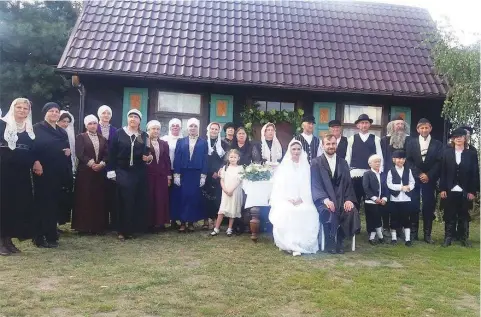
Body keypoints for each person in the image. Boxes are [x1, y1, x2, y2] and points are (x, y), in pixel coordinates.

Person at [269, 140, 320, 256]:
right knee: (288, 211)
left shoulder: (306, 167)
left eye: (298, 149)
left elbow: (309, 185)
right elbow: (279, 186)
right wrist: (289, 199)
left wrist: (301, 199)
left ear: (301, 151)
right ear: (289, 151)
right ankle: (288, 244)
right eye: (294, 149)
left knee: (307, 211)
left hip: (303, 199)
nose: (296, 151)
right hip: (286, 199)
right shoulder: (284, 166)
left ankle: (301, 244)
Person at [311, 134, 360, 254]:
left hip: (342, 199)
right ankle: (330, 240)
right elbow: (315, 184)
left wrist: (349, 199)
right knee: (328, 212)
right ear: (323, 146)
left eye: (333, 144)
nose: (331, 146)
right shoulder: (316, 163)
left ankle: (340, 239)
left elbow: (348, 184)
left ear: (336, 145)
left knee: (350, 211)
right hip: (325, 200)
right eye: (328, 144)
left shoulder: (343, 163)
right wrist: (324, 199)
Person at [32, 102, 72, 248]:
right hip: (43, 170)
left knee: (54, 204)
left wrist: (67, 151)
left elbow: (65, 147)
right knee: (43, 203)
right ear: (45, 113)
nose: (54, 113)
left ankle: (51, 234)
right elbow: (32, 147)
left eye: (57, 111)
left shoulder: (62, 131)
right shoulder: (37, 128)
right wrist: (35, 161)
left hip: (58, 171)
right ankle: (39, 236)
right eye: (51, 111)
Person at [108, 109, 152, 241]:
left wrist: (148, 158)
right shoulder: (119, 133)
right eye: (130, 117)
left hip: (139, 171)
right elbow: (112, 152)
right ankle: (121, 230)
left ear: (140, 120)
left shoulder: (144, 136)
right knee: (124, 198)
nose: (133, 119)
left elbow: (148, 153)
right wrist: (111, 170)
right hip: (123, 169)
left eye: (136, 117)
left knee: (136, 199)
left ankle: (132, 229)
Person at [0, 98, 37, 255]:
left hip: (21, 173)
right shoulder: (2, 124)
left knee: (16, 206)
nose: (22, 110)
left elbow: (31, 150)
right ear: (12, 108)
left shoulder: (29, 128)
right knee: (3, 205)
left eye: (25, 108)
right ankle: (1, 241)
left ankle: (9, 240)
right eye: (19, 107)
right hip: (3, 172)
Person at [406, 118, 443, 243]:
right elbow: (409, 160)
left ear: (430, 128)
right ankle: (413, 233)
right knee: (414, 205)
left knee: (428, 205)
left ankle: (427, 235)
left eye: (426, 127)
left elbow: (439, 162)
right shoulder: (411, 142)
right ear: (417, 129)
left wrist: (428, 175)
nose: (424, 130)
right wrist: (419, 173)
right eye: (421, 128)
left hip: (429, 179)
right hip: (415, 178)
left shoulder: (438, 144)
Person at [440, 128, 478, 247]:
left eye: (460, 137)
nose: (458, 139)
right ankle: (448, 238)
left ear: (465, 138)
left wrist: (472, 191)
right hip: (450, 188)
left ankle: (464, 238)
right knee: (449, 213)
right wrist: (442, 189)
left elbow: (474, 173)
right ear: (453, 139)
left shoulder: (471, 154)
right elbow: (443, 172)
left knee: (464, 214)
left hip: (465, 189)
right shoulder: (447, 153)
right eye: (456, 137)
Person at [71, 115, 109, 234]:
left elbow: (107, 154)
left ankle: (97, 227)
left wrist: (101, 164)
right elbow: (80, 153)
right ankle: (83, 227)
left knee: (98, 198)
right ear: (86, 125)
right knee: (84, 198)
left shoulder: (102, 138)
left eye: (94, 123)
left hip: (99, 173)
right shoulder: (81, 137)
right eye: (90, 124)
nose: (93, 126)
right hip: (85, 173)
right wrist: (92, 164)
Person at [173, 118, 208, 232]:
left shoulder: (203, 142)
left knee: (194, 197)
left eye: (195, 126)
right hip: (184, 173)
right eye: (191, 126)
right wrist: (176, 174)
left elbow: (205, 159)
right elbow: (177, 158)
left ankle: (191, 222)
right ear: (187, 128)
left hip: (196, 173)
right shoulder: (181, 141)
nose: (193, 128)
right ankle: (182, 222)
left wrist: (203, 175)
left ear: (198, 128)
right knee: (183, 197)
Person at [345, 114, 383, 213]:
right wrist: (347, 172)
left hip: (370, 174)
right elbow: (348, 156)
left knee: (370, 202)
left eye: (366, 123)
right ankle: (355, 226)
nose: (364, 125)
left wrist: (379, 170)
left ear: (369, 125)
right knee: (355, 200)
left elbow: (380, 156)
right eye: (362, 123)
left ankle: (372, 227)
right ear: (358, 125)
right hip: (355, 175)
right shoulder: (351, 139)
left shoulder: (376, 139)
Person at [210, 149, 244, 237]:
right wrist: (225, 190)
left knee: (232, 209)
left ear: (238, 158)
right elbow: (222, 180)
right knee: (222, 210)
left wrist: (231, 190)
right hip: (225, 191)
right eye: (231, 157)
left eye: (235, 157)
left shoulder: (240, 168)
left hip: (235, 191)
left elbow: (238, 181)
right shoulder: (225, 168)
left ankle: (229, 228)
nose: (232, 159)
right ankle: (216, 228)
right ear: (228, 158)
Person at [146, 120, 171, 231]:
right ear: (148, 130)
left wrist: (168, 176)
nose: (155, 131)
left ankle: (160, 223)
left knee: (160, 198)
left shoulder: (164, 144)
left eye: (157, 129)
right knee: (149, 198)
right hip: (148, 175)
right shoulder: (144, 142)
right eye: (153, 129)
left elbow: (167, 160)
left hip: (161, 175)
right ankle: (149, 223)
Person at [386, 150, 416, 246]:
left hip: (406, 198)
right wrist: (400, 187)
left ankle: (407, 239)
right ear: (394, 160)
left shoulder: (408, 170)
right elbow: (389, 184)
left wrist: (409, 187)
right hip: (395, 198)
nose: (401, 161)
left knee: (406, 218)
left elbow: (412, 182)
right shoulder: (390, 171)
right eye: (399, 159)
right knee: (394, 218)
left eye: (403, 159)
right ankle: (394, 238)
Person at [96, 105, 119, 230]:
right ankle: (100, 222)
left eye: (108, 113)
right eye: (103, 113)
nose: (106, 115)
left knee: (112, 195)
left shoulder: (115, 130)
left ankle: (113, 223)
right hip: (97, 164)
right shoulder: (94, 127)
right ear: (99, 115)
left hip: (111, 166)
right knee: (99, 194)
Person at [202, 122, 226, 229]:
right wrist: (209, 172)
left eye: (216, 129)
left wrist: (218, 171)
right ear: (208, 129)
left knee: (216, 198)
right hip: (205, 173)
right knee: (205, 197)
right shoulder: (203, 142)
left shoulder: (223, 144)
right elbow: (202, 158)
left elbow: (225, 160)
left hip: (218, 174)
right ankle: (206, 220)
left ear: (219, 131)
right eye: (212, 129)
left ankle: (216, 219)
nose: (214, 131)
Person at [161, 118, 183, 229]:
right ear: (169, 127)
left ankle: (174, 219)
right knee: (166, 195)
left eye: (177, 125)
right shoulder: (164, 139)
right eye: (173, 125)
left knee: (176, 195)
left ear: (180, 127)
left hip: (179, 171)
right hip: (166, 170)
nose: (175, 127)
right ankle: (165, 219)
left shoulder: (184, 140)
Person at [56, 110, 75, 229]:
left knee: (63, 196)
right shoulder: (53, 133)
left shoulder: (66, 134)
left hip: (65, 168)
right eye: (63, 121)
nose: (65, 124)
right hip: (54, 168)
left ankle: (58, 223)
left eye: (68, 122)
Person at [362, 154, 387, 245]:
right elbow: (366, 188)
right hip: (370, 201)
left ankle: (378, 237)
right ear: (370, 164)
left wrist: (384, 198)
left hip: (381, 202)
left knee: (378, 218)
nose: (378, 163)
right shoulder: (367, 174)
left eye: (379, 161)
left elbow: (385, 187)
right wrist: (374, 198)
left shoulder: (383, 174)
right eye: (375, 162)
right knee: (373, 219)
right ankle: (376, 237)